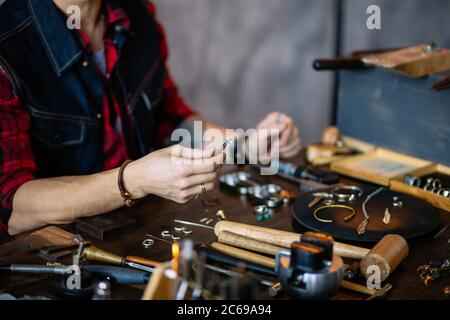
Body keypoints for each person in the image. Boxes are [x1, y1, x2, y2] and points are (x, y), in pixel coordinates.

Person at [0, 0, 301, 238]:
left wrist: (245, 145)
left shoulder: (137, 15)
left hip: (136, 230)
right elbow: (14, 207)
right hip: (50, 256)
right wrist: (135, 179)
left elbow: (171, 122)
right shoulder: (8, 46)